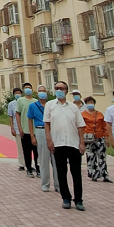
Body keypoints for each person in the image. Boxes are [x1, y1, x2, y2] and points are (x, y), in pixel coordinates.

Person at [44, 80, 86, 211]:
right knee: (61, 172)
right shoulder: (50, 105)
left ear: (66, 91)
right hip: (58, 143)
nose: (59, 90)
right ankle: (66, 198)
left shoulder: (73, 107)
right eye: (56, 88)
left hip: (73, 144)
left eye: (61, 88)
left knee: (76, 173)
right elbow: (47, 123)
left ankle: (78, 200)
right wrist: (49, 140)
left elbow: (80, 126)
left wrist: (82, 142)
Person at [27, 85, 58, 193]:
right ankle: (45, 183)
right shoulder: (33, 106)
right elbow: (30, 121)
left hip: (53, 130)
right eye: (40, 91)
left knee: (56, 159)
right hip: (40, 130)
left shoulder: (52, 104)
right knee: (43, 159)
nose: (42, 93)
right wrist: (32, 136)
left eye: (44, 91)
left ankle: (58, 184)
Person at [81, 96, 110, 182]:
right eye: (88, 102)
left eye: (92, 102)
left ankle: (104, 174)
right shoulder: (83, 115)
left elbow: (104, 126)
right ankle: (93, 174)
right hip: (88, 138)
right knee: (91, 156)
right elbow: (81, 127)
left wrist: (106, 137)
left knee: (102, 156)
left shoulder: (99, 114)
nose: (90, 104)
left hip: (99, 137)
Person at [15, 83, 39, 177]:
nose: (28, 89)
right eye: (26, 88)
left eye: (29, 88)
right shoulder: (20, 100)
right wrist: (19, 127)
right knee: (26, 151)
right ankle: (28, 168)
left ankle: (38, 169)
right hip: (25, 130)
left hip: (36, 130)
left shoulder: (36, 101)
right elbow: (18, 114)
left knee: (37, 152)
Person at [8, 87, 25, 172]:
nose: (17, 94)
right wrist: (12, 128)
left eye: (19, 93)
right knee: (20, 147)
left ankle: (28, 164)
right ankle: (21, 164)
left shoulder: (25, 102)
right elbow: (10, 116)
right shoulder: (11, 104)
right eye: (16, 93)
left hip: (26, 127)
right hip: (16, 127)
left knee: (27, 147)